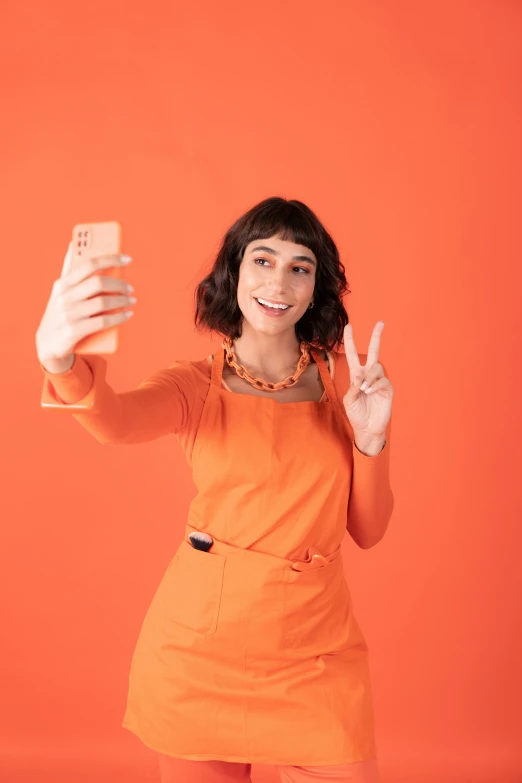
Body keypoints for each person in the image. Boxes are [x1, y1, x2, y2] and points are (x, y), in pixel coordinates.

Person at [35, 197, 394, 783]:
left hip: (316, 650)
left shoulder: (345, 387)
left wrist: (372, 438)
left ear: (315, 287)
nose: (279, 281)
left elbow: (369, 531)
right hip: (199, 654)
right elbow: (114, 421)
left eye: (300, 267)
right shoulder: (193, 386)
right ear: (234, 271)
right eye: (263, 259)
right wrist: (59, 359)